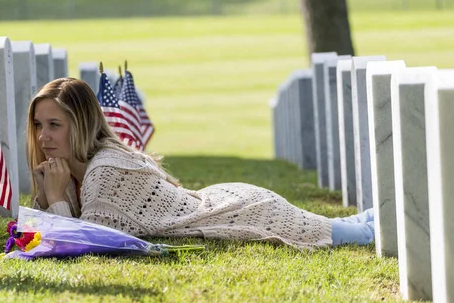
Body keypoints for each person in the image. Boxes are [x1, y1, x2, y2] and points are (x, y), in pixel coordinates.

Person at [28, 78, 374, 249]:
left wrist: (55, 198)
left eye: (55, 125)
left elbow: (91, 246)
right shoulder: (72, 169)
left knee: (358, 233)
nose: (44, 136)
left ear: (82, 124)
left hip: (239, 212)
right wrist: (47, 196)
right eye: (39, 125)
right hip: (225, 200)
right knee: (350, 224)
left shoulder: (105, 171)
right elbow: (45, 237)